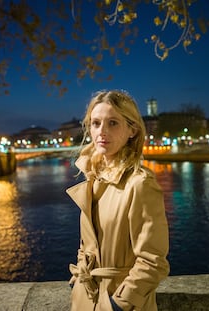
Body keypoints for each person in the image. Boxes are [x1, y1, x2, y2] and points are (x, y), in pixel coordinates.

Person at [66, 90, 170, 311]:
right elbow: (88, 244)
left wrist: (119, 304)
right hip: (86, 298)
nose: (101, 132)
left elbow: (153, 261)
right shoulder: (93, 177)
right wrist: (78, 280)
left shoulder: (140, 184)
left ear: (132, 130)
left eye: (113, 123)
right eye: (95, 123)